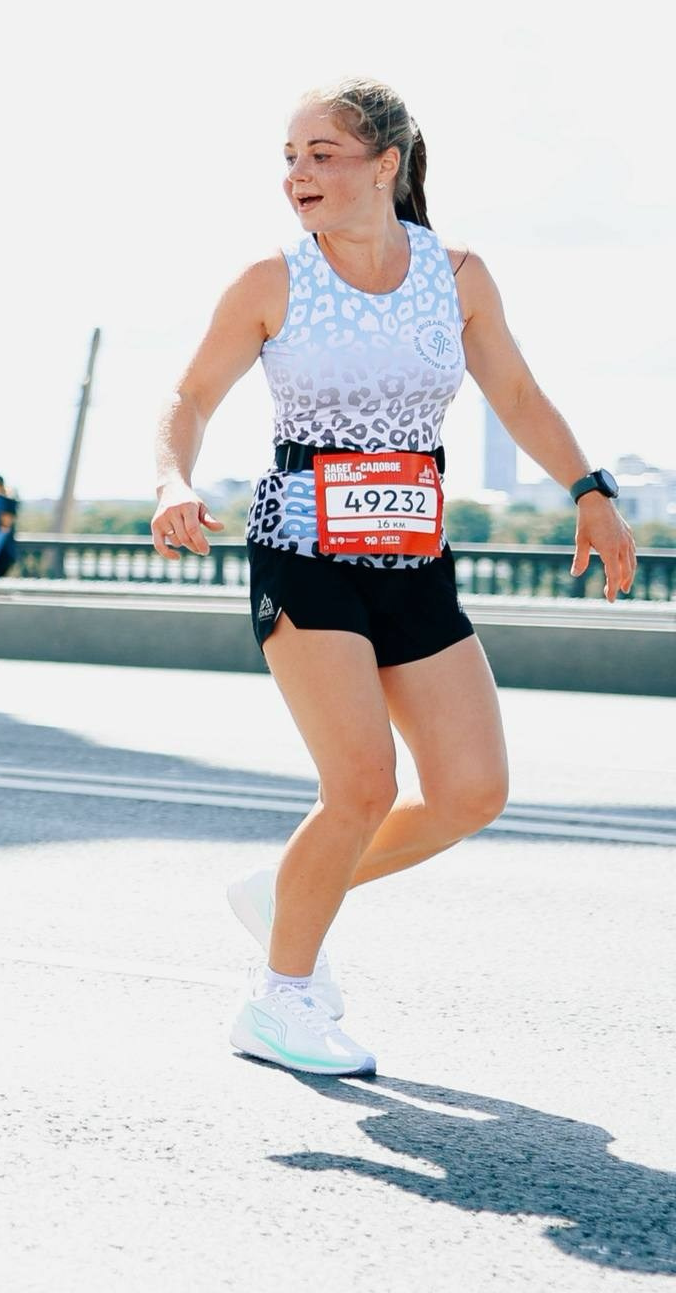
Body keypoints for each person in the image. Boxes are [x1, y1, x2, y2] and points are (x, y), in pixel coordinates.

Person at [152, 77, 636, 1079]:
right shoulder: (269, 281)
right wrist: (171, 477)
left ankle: (286, 891)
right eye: (288, 156)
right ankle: (278, 1000)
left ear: (386, 165)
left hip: (413, 558)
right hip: (302, 549)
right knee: (362, 785)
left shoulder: (455, 276)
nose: (297, 175)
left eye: (321, 153)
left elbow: (513, 389)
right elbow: (190, 393)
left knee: (469, 790)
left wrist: (588, 489)